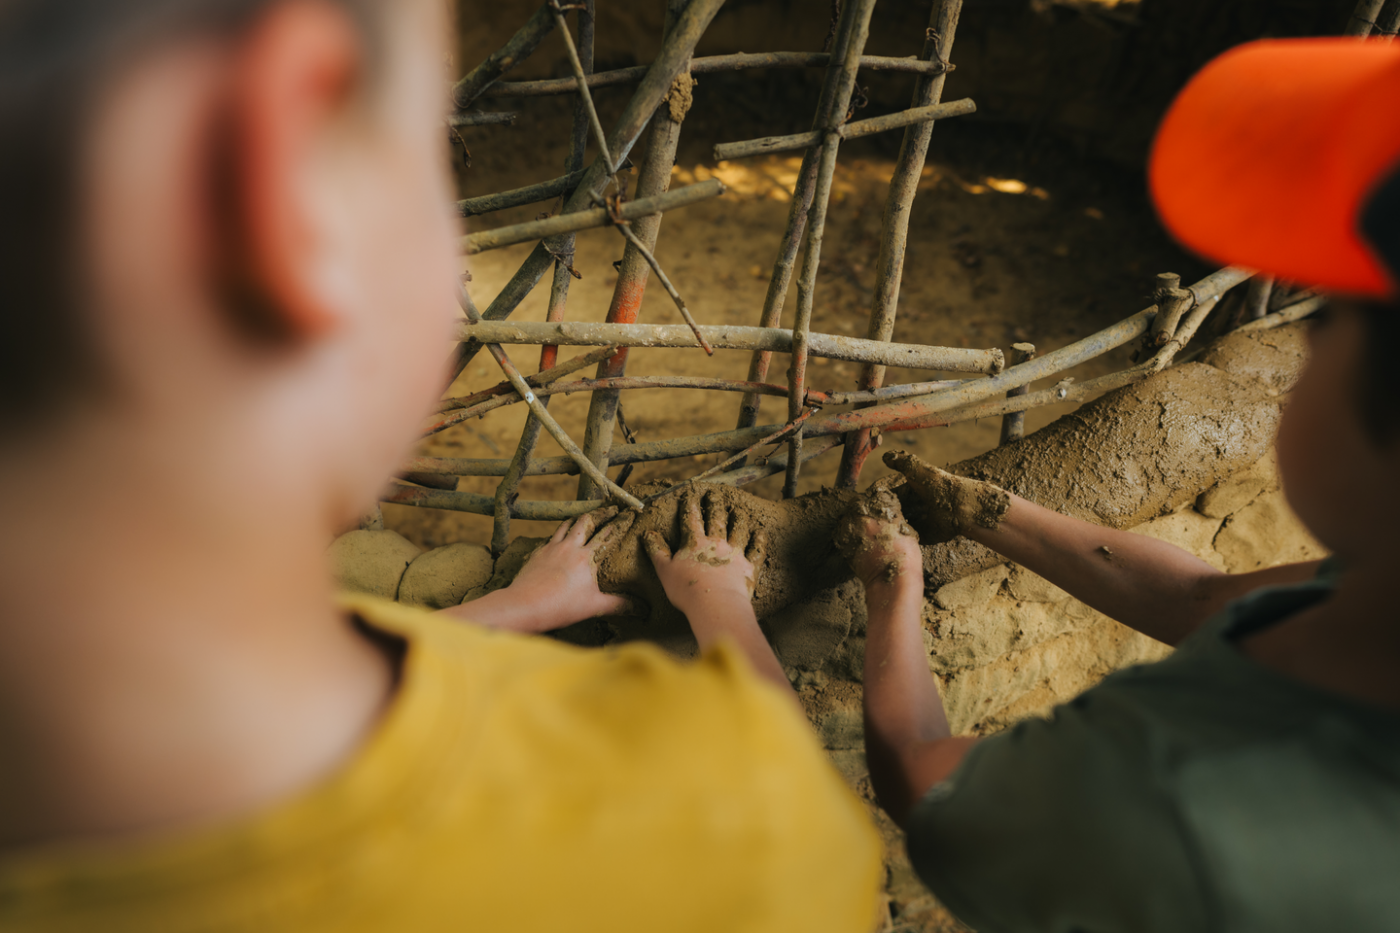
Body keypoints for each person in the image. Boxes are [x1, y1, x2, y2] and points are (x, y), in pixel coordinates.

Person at [0, 1, 880, 930]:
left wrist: (513, 608)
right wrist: (722, 605)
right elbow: (794, 808)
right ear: (277, 181)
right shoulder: (735, 828)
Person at [841, 37, 1400, 932]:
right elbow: (1197, 596)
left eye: (1332, 317)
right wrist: (989, 510)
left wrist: (890, 591)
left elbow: (922, 777)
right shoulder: (1367, 605)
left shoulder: (1178, 804)